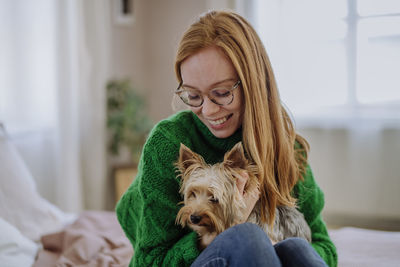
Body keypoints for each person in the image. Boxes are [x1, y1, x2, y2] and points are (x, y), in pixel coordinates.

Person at [116, 10, 337, 267]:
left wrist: (277, 248)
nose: (208, 111)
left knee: (297, 247)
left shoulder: (286, 147)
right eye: (193, 96)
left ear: (253, 84)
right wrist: (221, 231)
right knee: (247, 238)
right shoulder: (168, 143)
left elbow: (324, 248)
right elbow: (148, 261)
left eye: (221, 93)